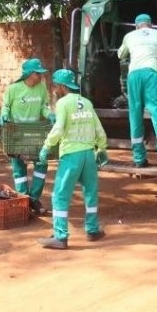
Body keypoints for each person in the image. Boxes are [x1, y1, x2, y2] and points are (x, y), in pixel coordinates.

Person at [37, 69, 108, 250]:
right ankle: (92, 230)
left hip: (71, 155)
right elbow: (98, 128)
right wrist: (101, 148)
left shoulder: (63, 104)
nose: (54, 89)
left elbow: (59, 128)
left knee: (60, 195)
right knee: (90, 192)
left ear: (62, 86)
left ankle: (60, 236)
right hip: (89, 155)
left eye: (55, 85)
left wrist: (46, 146)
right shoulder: (87, 103)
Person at [117, 13, 157, 171]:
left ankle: (139, 159)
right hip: (152, 74)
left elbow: (120, 55)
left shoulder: (129, 36)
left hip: (133, 76)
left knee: (135, 115)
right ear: (151, 24)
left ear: (136, 26)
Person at [0, 58, 53, 215]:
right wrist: (4, 114)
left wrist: (49, 114)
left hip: (35, 132)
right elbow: (6, 106)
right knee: (18, 165)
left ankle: (34, 198)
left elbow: (44, 106)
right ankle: (23, 198)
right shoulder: (13, 89)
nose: (41, 76)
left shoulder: (42, 87)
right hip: (17, 133)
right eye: (38, 73)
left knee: (41, 163)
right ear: (29, 74)